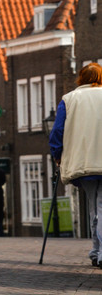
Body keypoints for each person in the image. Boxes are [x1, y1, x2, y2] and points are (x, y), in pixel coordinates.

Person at [50, 62, 102, 267]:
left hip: (85, 162)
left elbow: (57, 131)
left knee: (94, 206)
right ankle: (98, 251)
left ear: (81, 78)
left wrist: (57, 154)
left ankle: (97, 250)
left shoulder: (70, 99)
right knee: (100, 205)